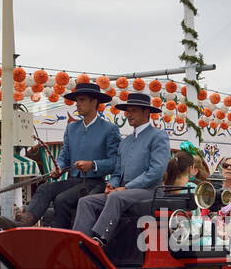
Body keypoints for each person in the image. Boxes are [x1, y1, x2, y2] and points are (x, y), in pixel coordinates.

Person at [73, 91, 170, 248]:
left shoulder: (158, 136)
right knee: (86, 201)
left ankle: (99, 239)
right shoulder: (125, 142)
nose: (129, 115)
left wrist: (126, 187)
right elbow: (117, 172)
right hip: (123, 191)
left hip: (150, 191)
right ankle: (79, 242)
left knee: (116, 197)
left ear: (146, 112)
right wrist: (112, 184)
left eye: (134, 111)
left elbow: (156, 171)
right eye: (128, 111)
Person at [20, 81, 121, 229]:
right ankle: (24, 223)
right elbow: (64, 156)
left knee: (62, 199)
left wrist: (92, 165)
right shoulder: (71, 128)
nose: (77, 104)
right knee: (44, 189)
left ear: (94, 102)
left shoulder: (110, 129)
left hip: (95, 183)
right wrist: (58, 168)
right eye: (76, 101)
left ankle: (64, 237)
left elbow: (115, 162)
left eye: (82, 100)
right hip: (72, 180)